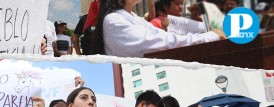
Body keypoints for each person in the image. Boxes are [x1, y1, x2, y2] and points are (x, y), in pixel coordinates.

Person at [94, 0, 226, 57]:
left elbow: (162, 36)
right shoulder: (113, 20)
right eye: (177, 4)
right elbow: (164, 43)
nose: (181, 7)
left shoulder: (133, 16)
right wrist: (211, 36)